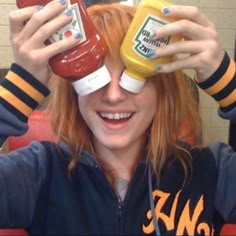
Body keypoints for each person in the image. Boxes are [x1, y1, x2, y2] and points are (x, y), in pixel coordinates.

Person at [0, 0, 235, 235]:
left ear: (162, 90)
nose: (113, 96)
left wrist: (228, 83)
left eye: (132, 74)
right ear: (73, 91)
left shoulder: (210, 171)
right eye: (95, 74)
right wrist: (19, 88)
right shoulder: (39, 173)